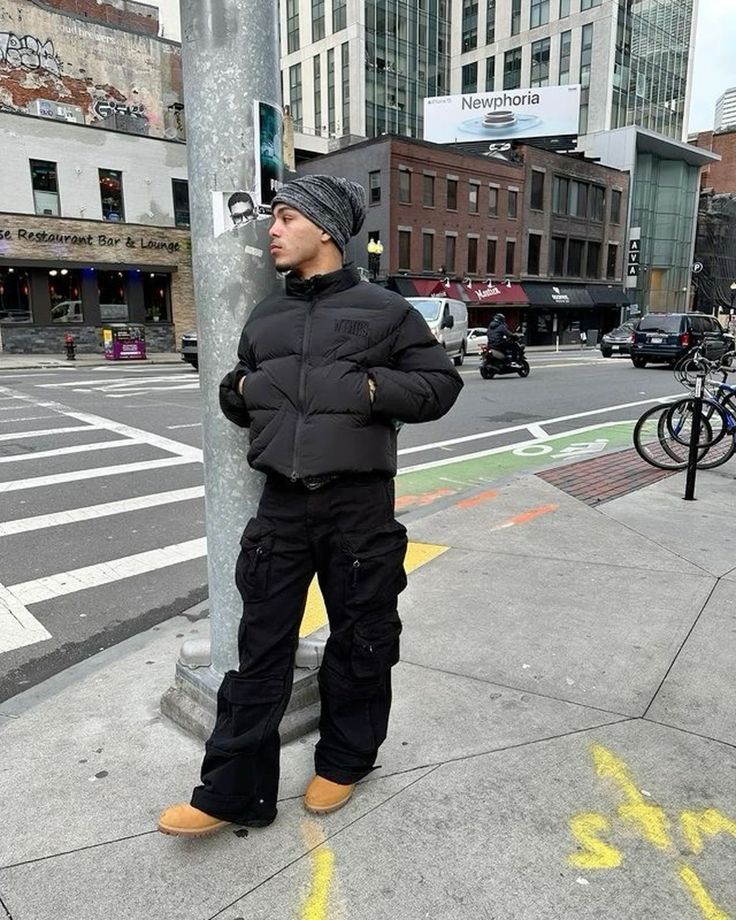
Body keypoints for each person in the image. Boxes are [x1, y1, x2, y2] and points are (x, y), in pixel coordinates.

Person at [158, 175, 464, 837]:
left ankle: (347, 759)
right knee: (259, 647)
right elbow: (239, 390)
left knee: (362, 639)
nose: (272, 230)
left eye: (286, 217)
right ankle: (231, 790)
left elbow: (440, 386)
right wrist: (242, 390)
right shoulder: (266, 315)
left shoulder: (385, 310)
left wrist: (364, 388)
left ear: (325, 228)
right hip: (281, 506)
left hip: (358, 506)